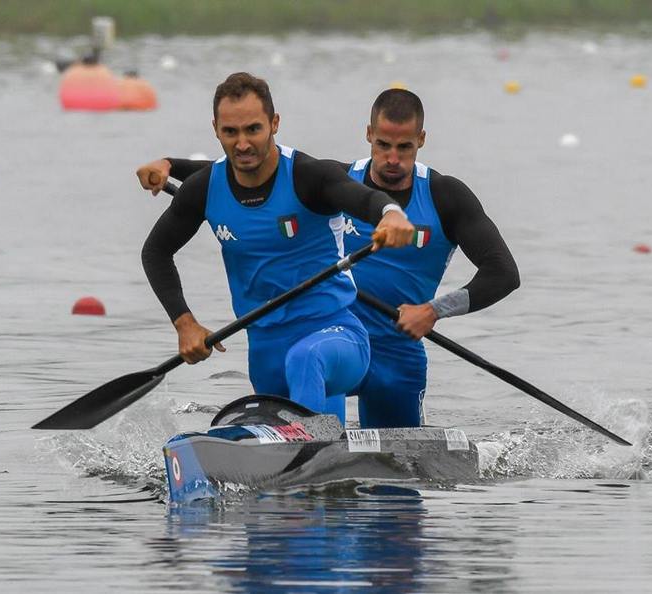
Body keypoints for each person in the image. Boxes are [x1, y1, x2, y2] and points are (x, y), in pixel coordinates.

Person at [141, 88, 520, 429]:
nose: (392, 159)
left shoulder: (446, 197)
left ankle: (320, 456)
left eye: (404, 148)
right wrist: (171, 165)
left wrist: (435, 310)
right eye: (383, 144)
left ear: (421, 140)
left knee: (392, 487)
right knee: (308, 362)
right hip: (319, 339)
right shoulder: (334, 179)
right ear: (368, 134)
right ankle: (313, 460)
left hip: (392, 350)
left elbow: (503, 274)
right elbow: (250, 166)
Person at [138, 73, 415, 425]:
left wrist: (390, 214)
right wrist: (185, 323)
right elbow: (156, 252)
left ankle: (310, 451)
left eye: (253, 129)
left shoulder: (308, 176)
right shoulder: (204, 188)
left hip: (336, 337)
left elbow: (363, 197)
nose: (242, 144)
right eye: (230, 132)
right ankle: (316, 457)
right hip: (265, 349)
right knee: (306, 428)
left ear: (274, 123)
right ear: (215, 129)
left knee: (305, 359)